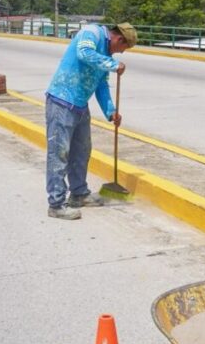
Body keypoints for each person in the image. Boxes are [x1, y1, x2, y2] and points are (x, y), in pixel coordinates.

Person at [44, 22, 137, 220]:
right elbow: (83, 52)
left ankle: (79, 193)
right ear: (119, 39)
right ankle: (56, 204)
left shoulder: (106, 55)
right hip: (61, 101)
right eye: (123, 49)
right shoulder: (92, 33)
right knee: (59, 153)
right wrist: (112, 65)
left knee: (81, 151)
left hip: (79, 105)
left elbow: (101, 85)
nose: (120, 54)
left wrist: (111, 111)